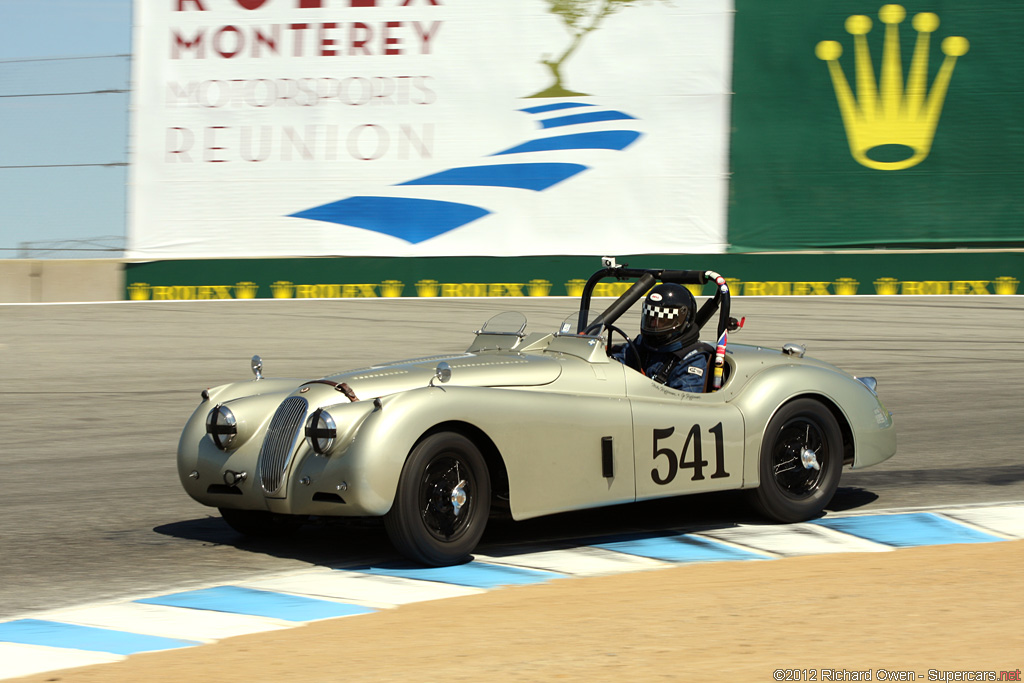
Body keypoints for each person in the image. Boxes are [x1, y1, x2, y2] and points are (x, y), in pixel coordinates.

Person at [610, 283, 713, 393]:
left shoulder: (691, 359)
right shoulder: (642, 344)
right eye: (651, 317)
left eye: (663, 319)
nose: (654, 323)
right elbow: (619, 360)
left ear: (681, 320)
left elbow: (684, 403)